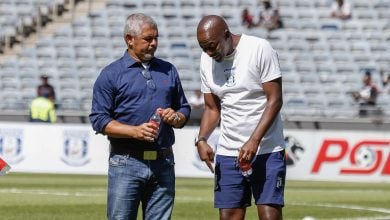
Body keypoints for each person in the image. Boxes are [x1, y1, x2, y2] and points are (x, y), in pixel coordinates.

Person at [89, 13, 191, 220]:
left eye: (156, 38)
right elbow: (98, 119)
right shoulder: (110, 74)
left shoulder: (168, 70)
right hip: (126, 162)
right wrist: (134, 131)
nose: (154, 43)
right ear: (129, 39)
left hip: (164, 161)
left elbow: (184, 108)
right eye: (148, 39)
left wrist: (177, 118)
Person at [195, 15, 286, 220]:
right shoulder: (206, 60)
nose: (209, 53)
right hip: (228, 153)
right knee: (229, 217)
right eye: (203, 48)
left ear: (226, 34)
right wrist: (201, 139)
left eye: (212, 46)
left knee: (269, 216)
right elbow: (212, 108)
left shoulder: (259, 48)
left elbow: (275, 100)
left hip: (266, 150)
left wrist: (254, 140)